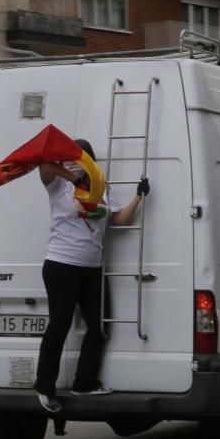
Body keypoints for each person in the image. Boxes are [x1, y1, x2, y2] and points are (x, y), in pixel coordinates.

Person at [34, 138, 150, 413]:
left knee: (99, 326)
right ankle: (44, 386)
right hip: (61, 264)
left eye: (82, 157)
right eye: (72, 157)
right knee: (59, 325)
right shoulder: (58, 185)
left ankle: (84, 382)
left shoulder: (102, 187)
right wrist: (71, 174)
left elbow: (120, 219)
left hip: (93, 268)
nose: (77, 161)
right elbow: (44, 164)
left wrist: (140, 196)